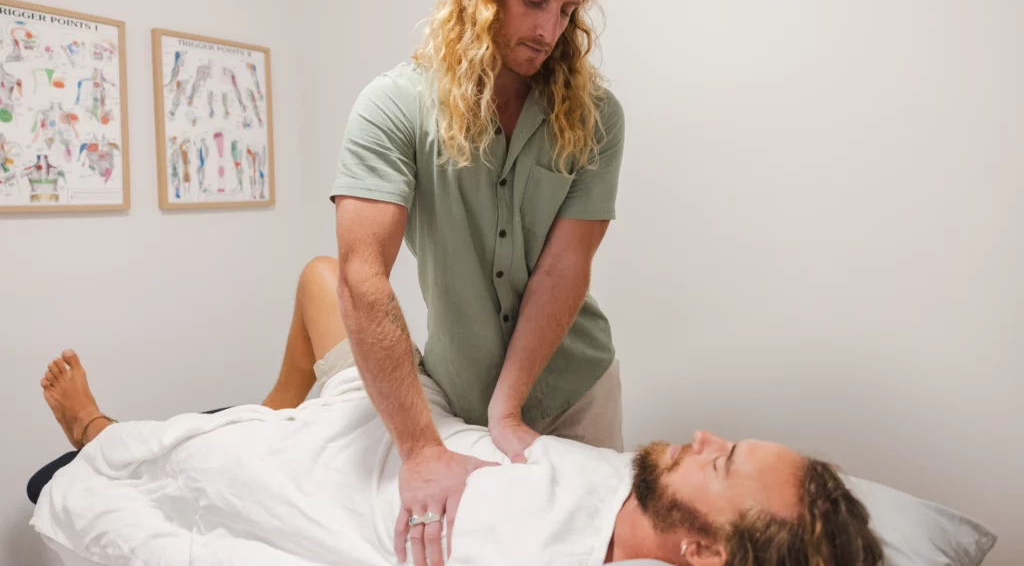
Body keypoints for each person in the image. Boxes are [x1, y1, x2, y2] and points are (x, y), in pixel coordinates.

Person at [34, 257, 883, 566]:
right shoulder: (635, 490)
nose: (704, 437)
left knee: (185, 460)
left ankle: (99, 431)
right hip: (419, 422)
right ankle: (273, 412)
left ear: (700, 550)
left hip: (344, 476)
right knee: (321, 279)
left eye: (722, 462)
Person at [331, 0, 626, 563]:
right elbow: (359, 278)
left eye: (568, 10)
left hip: (578, 389)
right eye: (534, 0)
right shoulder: (394, 108)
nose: (550, 27)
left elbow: (564, 268)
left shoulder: (598, 116)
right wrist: (420, 446)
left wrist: (510, 407)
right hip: (458, 402)